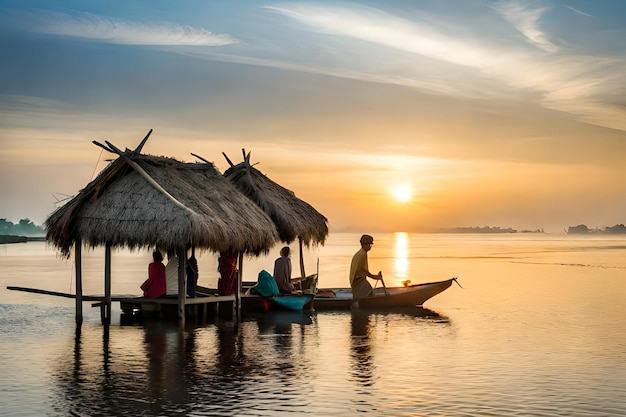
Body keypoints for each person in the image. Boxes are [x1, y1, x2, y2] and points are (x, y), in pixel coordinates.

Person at [349, 234, 383, 299]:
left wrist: (375, 276)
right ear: (365, 245)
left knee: (369, 292)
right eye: (369, 245)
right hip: (357, 281)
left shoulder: (361, 253)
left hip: (358, 279)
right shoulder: (362, 255)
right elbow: (365, 271)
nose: (370, 247)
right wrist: (375, 277)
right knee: (369, 292)